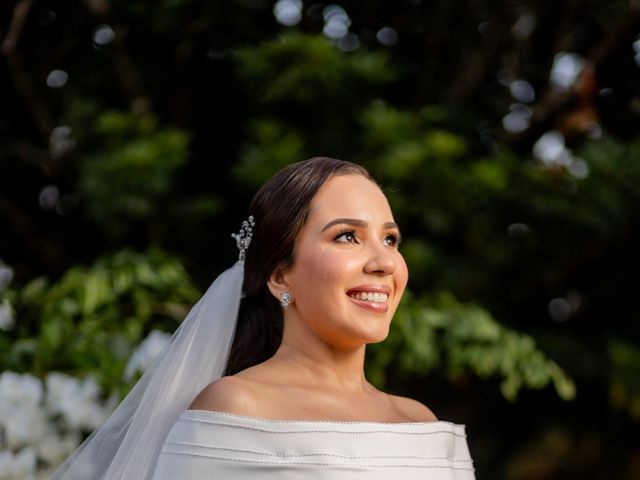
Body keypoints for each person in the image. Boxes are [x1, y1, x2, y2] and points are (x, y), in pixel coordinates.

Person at [50, 157, 475, 479]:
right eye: (348, 236)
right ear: (278, 275)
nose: (384, 261)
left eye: (390, 238)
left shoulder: (420, 421)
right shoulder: (237, 406)